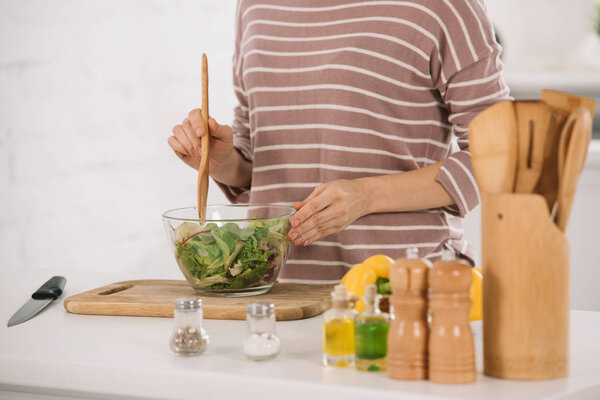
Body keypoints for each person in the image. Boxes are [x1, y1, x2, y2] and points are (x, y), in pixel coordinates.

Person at [167, 0, 510, 283]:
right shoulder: (254, 6)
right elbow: (259, 157)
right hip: (281, 296)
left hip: (407, 292)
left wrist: (365, 196)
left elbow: (503, 155)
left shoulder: (446, 7)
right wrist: (225, 163)